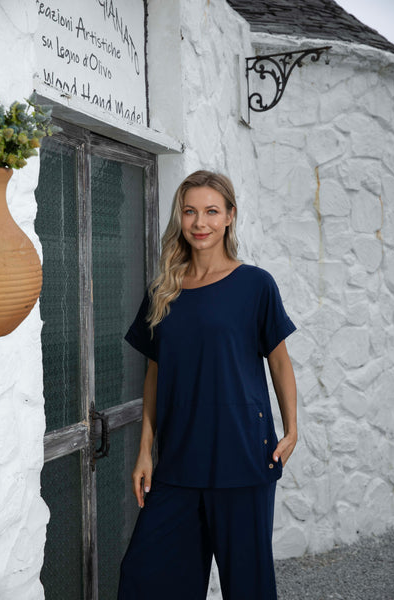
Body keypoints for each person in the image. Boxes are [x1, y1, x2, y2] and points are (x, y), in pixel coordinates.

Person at [117, 170, 297, 600]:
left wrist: (292, 430)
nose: (200, 223)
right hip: (178, 461)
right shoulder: (163, 290)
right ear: (179, 217)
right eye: (190, 211)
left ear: (230, 216)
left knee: (248, 587)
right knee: (146, 577)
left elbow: (279, 361)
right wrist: (145, 451)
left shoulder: (256, 284)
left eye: (212, 211)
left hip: (243, 456)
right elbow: (155, 374)